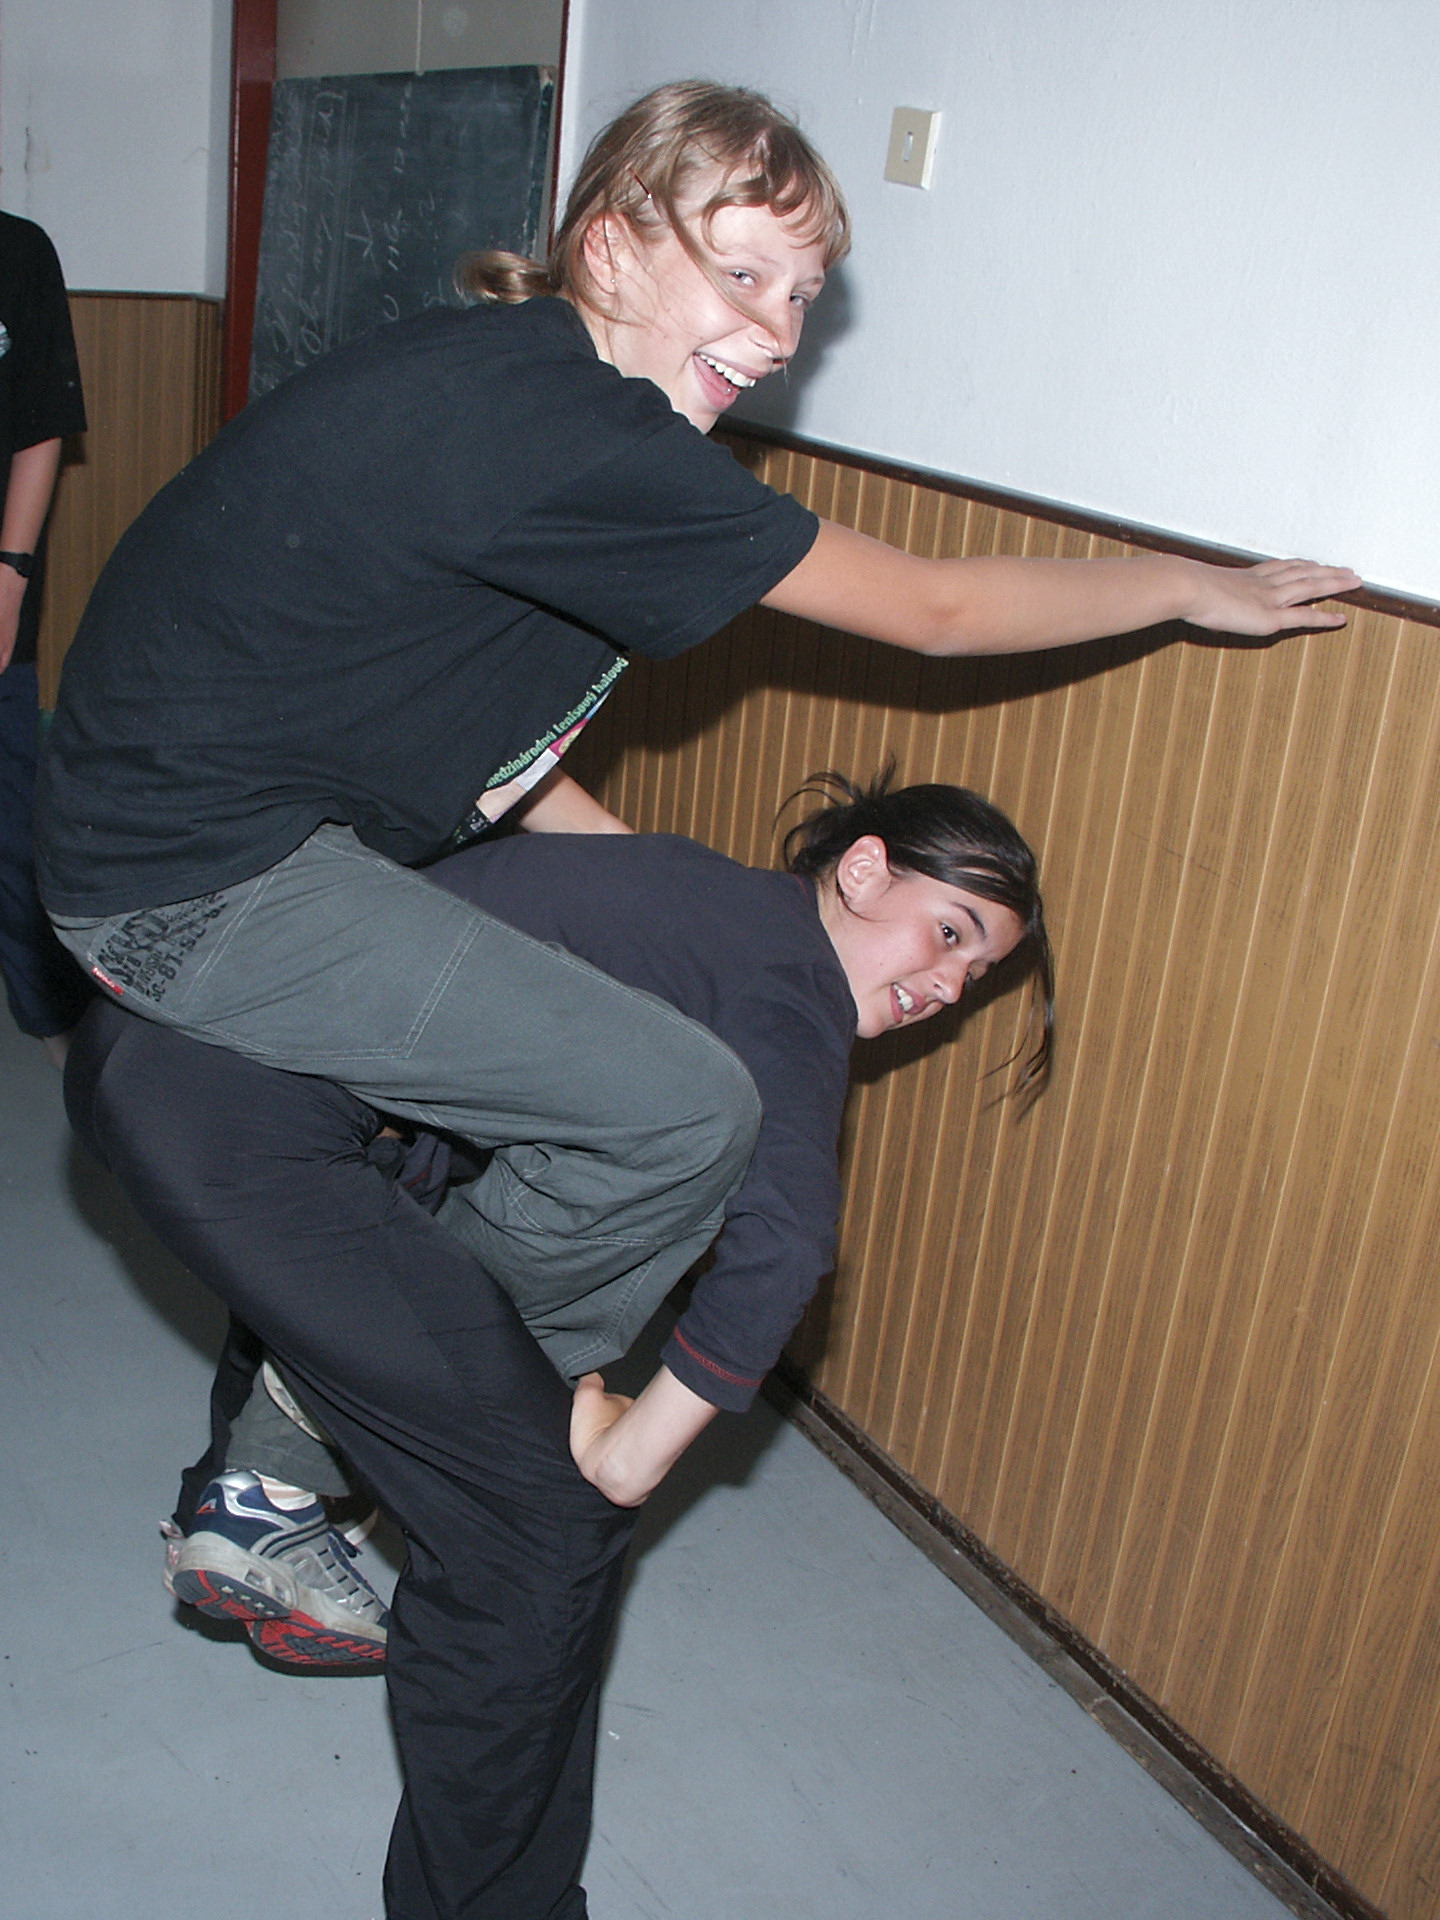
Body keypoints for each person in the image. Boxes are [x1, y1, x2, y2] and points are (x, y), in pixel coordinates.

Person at [36, 75, 1353, 1919]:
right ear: (612, 244)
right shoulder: (576, 436)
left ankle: (333, 1439)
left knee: (571, 1102)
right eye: (740, 275)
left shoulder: (506, 394)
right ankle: (470, 1411)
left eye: (805, 297)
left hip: (197, 858)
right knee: (678, 1106)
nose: (776, 331)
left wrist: (651, 874)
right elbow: (938, 612)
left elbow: (496, 757)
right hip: (196, 889)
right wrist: (1188, 585)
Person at [66, 768, 1053, 1915]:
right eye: (951, 933)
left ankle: (258, 1470)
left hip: (180, 1036)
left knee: (433, 1233)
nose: (949, 986)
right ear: (865, 869)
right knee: (549, 1528)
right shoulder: (790, 986)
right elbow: (785, 1246)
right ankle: (276, 1477)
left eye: (976, 976)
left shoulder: (699, 892)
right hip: (252, 1115)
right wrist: (634, 1452)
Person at [0, 208, 90, 1062]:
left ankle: (52, 1016)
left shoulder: (19, 250)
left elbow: (40, 425)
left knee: (13, 818)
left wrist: (9, 578)